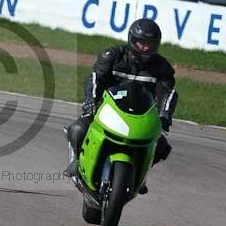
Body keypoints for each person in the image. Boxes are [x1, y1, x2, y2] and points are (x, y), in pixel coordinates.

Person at [64, 18, 177, 194]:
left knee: (162, 146)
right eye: (142, 42)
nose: (145, 48)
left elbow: (168, 94)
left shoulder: (162, 67)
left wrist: (164, 117)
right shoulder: (113, 56)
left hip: (140, 117)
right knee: (79, 129)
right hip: (107, 110)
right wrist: (90, 103)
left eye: (150, 44)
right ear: (132, 40)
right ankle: (78, 161)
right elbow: (94, 79)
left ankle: (141, 174)